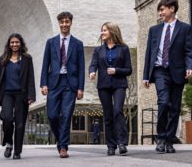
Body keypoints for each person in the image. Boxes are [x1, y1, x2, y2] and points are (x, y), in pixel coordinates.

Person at [143, 0, 192, 154]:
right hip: (160, 71)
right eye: (159, 10)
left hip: (178, 72)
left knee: (175, 107)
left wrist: (190, 67)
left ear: (172, 9)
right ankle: (161, 137)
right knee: (164, 102)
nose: (160, 13)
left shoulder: (185, 28)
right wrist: (146, 75)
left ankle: (169, 140)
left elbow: (190, 51)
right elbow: (149, 53)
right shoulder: (154, 30)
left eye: (162, 9)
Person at [40, 11, 85, 158]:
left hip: (70, 84)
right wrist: (43, 84)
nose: (64, 24)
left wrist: (80, 87)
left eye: (67, 21)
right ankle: (61, 141)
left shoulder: (78, 44)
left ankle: (63, 147)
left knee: (66, 116)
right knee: (52, 115)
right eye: (62, 22)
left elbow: (81, 67)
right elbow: (45, 64)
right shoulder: (51, 42)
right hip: (54, 83)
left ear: (71, 23)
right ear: (58, 23)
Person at [89, 22, 132, 156]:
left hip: (119, 84)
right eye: (102, 31)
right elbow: (93, 64)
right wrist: (92, 72)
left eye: (105, 30)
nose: (102, 33)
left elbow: (128, 69)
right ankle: (111, 145)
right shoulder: (98, 50)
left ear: (112, 32)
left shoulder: (123, 49)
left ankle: (121, 143)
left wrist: (116, 70)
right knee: (107, 115)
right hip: (103, 85)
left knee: (117, 111)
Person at [0, 33, 36, 160]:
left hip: (21, 94)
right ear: (9, 44)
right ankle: (9, 143)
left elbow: (30, 78)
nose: (14, 44)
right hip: (7, 94)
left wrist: (31, 95)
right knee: (6, 119)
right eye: (12, 42)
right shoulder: (2, 59)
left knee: (20, 123)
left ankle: (17, 151)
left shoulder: (27, 59)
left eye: (17, 42)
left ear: (21, 43)